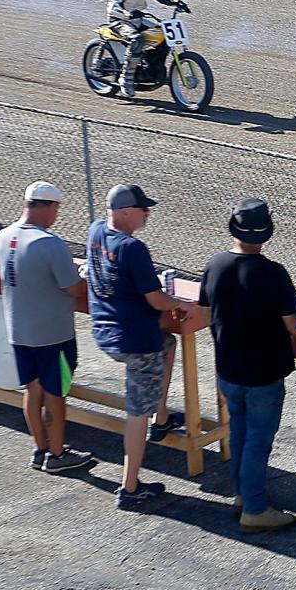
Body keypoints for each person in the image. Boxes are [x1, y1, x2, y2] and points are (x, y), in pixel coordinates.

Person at [87, 183, 194, 509]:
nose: (147, 213)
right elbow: (156, 299)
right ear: (124, 212)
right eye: (142, 209)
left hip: (105, 331)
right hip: (135, 340)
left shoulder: (96, 230)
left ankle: (161, 418)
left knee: (168, 343)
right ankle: (130, 487)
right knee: (137, 413)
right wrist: (180, 303)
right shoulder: (133, 248)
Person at [198, 198, 296, 533]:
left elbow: (204, 313)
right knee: (259, 439)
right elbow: (295, 326)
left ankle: (243, 494)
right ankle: (254, 509)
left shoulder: (215, 265)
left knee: (240, 432)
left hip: (228, 368)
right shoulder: (273, 273)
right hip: (264, 372)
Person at [0, 182, 95, 475]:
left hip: (19, 331)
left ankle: (40, 449)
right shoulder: (50, 244)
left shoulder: (3, 237)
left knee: (32, 388)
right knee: (57, 393)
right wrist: (87, 276)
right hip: (54, 335)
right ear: (50, 207)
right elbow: (75, 289)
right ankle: (58, 453)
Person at [106, 0, 191, 97]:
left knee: (163, 35)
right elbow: (112, 8)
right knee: (137, 40)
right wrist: (128, 14)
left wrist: (177, 2)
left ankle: (153, 70)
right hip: (119, 21)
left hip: (138, 19)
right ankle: (125, 79)